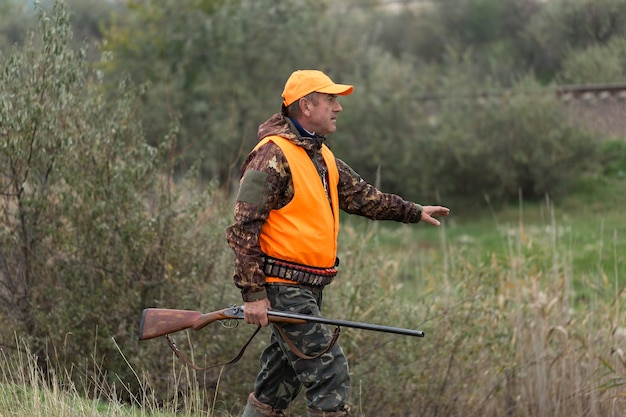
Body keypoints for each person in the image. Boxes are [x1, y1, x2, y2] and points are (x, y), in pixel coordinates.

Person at [226, 69, 450, 417]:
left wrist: (413, 211)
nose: (338, 108)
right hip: (284, 288)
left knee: (278, 383)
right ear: (306, 105)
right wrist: (254, 295)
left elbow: (364, 197)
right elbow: (243, 228)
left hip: (308, 287)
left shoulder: (320, 156)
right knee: (329, 375)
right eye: (330, 100)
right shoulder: (271, 156)